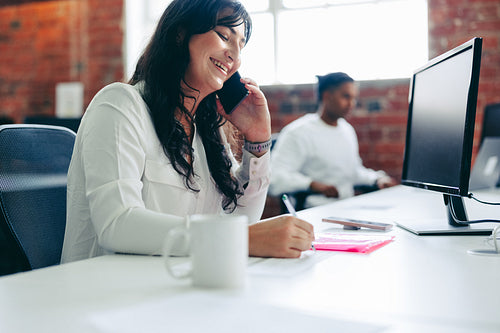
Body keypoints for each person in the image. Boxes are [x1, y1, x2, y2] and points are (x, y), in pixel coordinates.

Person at [60, 0, 314, 263]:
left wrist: (257, 140)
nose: (235, 57)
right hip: (104, 294)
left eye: (240, 46)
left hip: (174, 287)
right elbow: (117, 224)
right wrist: (237, 238)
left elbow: (242, 220)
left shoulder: (206, 132)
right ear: (181, 33)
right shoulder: (119, 105)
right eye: (224, 36)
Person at [269, 72, 397, 208]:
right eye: (346, 96)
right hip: (314, 211)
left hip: (348, 209)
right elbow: (275, 178)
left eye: (354, 98)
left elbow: (353, 172)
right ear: (327, 96)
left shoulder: (347, 130)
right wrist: (311, 184)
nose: (351, 104)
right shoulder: (298, 132)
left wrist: (377, 179)